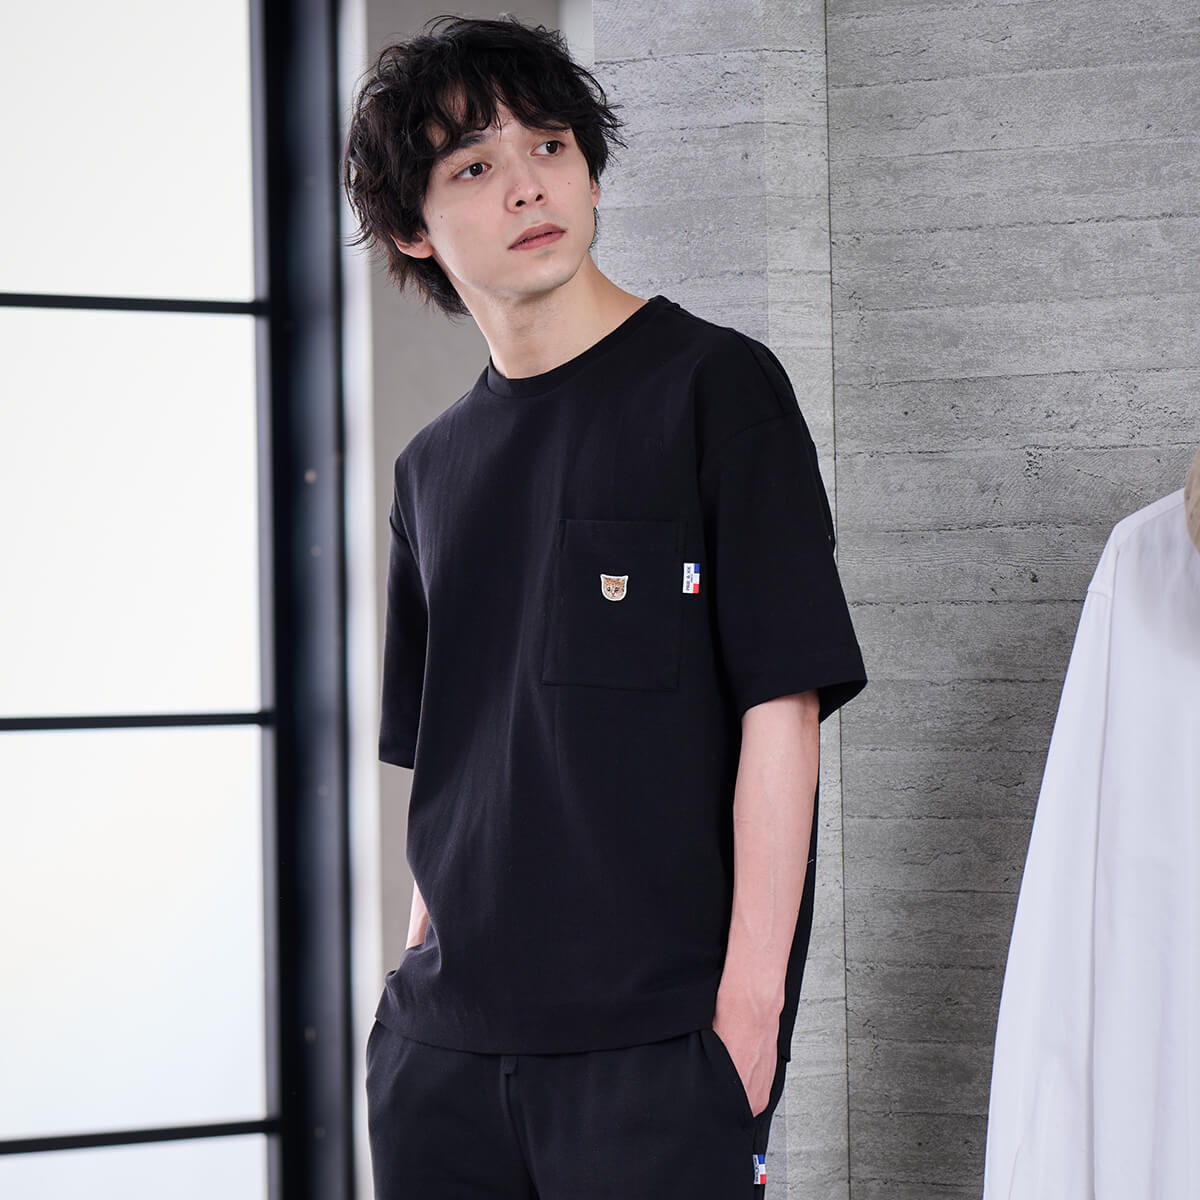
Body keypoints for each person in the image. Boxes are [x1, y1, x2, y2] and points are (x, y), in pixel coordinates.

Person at [343, 14, 868, 1198]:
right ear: (415, 228)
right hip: (441, 1066)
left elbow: (781, 712)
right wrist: (414, 987)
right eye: (473, 166)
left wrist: (748, 1027)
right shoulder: (431, 468)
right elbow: (453, 757)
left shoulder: (716, 390)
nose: (527, 184)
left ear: (589, 170)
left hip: (655, 1060)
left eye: (550, 145)